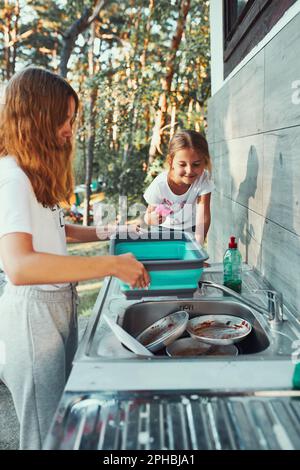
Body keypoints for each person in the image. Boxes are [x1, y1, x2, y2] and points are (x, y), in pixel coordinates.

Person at [0, 67, 150, 450]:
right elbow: (19, 266)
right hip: (33, 316)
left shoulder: (31, 174)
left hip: (56, 305)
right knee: (45, 435)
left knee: (62, 422)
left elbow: (58, 232)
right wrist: (111, 264)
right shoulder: (11, 178)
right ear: (37, 117)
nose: (69, 130)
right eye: (63, 119)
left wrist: (113, 232)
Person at [144, 130, 214, 245]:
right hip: (162, 230)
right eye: (182, 164)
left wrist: (198, 251)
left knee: (188, 260)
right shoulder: (160, 185)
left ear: (204, 162)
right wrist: (153, 219)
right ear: (171, 161)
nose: (189, 171)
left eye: (196, 164)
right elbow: (147, 218)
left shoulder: (203, 179)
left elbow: (203, 218)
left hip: (190, 228)